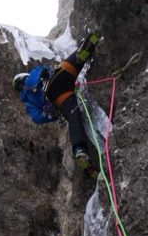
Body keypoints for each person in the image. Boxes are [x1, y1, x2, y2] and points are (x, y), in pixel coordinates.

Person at [13, 28, 103, 178]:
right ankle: (85, 49)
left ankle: (80, 151)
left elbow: (38, 118)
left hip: (57, 98)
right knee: (72, 64)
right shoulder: (31, 76)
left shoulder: (28, 101)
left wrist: (52, 114)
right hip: (56, 78)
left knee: (74, 118)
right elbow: (44, 70)